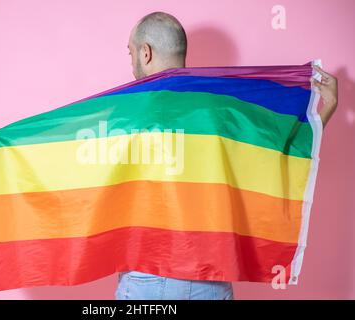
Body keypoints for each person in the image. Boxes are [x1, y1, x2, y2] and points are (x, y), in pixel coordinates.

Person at [115, 11, 338, 300]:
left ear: (145, 53)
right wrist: (327, 106)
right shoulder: (224, 109)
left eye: (130, 52)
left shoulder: (124, 111)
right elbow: (279, 155)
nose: (131, 63)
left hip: (147, 278)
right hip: (211, 280)